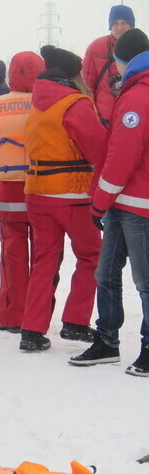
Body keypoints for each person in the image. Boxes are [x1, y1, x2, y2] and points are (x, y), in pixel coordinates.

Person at [19, 46, 107, 351]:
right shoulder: (76, 103)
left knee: (45, 260)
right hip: (71, 193)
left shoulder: (38, 103)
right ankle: (75, 322)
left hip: (36, 191)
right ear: (73, 74)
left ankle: (31, 330)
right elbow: (97, 150)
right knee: (91, 255)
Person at [71, 28, 149, 373]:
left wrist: (98, 201)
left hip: (137, 203)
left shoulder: (137, 97)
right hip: (123, 202)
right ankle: (107, 339)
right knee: (106, 273)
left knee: (144, 281)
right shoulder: (133, 92)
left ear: (126, 60)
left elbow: (121, 156)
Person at [0, 52, 46, 334]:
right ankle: (39, 316)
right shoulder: (48, 103)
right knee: (44, 257)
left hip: (7, 190)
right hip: (42, 189)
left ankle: (12, 316)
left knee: (12, 256)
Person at [83, 5, 135, 125]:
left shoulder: (140, 46)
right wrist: (90, 113)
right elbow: (87, 84)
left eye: (124, 22)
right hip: (104, 116)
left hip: (133, 113)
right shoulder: (96, 47)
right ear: (110, 25)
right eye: (115, 23)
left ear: (131, 25)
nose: (120, 28)